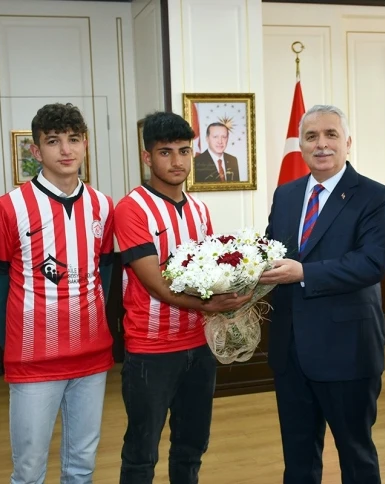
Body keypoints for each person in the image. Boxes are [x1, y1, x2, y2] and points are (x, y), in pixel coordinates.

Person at [0, 102, 115, 484]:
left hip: (92, 357)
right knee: (29, 471)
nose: (66, 150)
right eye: (53, 141)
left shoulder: (103, 206)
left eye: (74, 139)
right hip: (34, 362)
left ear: (86, 144)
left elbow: (103, 275)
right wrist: (17, 342)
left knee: (82, 466)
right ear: (36, 151)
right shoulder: (8, 208)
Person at [259, 104, 385, 484]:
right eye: (311, 136)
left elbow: (372, 263)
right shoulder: (286, 195)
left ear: (347, 142)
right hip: (290, 351)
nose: (321, 144)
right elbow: (270, 251)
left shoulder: (375, 197)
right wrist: (235, 273)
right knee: (298, 461)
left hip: (347, 351)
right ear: (301, 146)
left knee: (356, 457)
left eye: (330, 135)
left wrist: (304, 273)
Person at [114, 111, 251, 484]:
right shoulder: (131, 209)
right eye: (165, 152)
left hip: (199, 345)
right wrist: (210, 305)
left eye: (184, 151)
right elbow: (157, 285)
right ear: (147, 157)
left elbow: (209, 274)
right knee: (141, 454)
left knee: (191, 447)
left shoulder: (200, 210)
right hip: (151, 350)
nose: (177, 161)